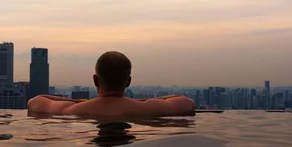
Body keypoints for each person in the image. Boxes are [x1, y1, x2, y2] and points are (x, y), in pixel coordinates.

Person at [27, 51, 195, 117]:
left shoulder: (73, 110)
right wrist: (139, 102)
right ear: (128, 81)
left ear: (95, 80)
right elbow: (186, 103)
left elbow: (35, 101)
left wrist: (79, 102)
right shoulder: (147, 109)